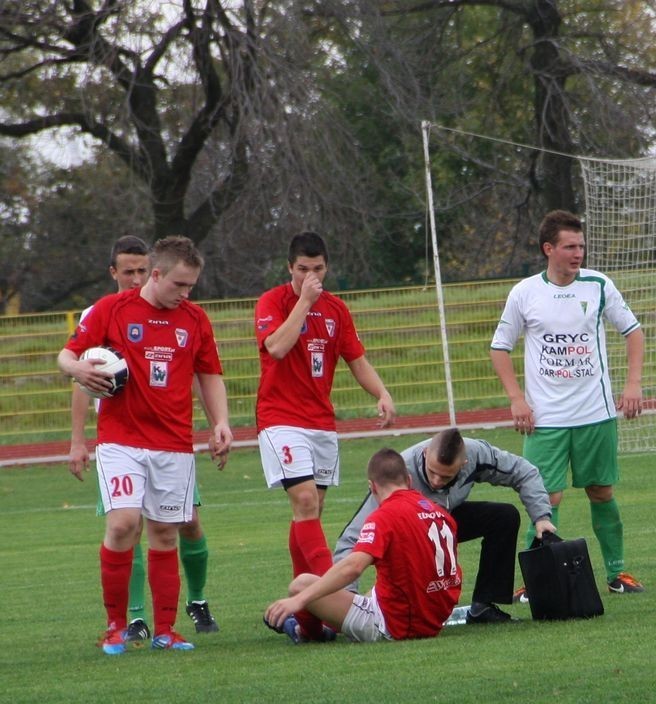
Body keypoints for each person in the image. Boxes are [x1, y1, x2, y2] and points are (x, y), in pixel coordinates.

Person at [58, 235, 233, 654]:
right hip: (121, 440)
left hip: (173, 443)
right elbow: (66, 356)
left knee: (165, 534)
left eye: (191, 286)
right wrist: (79, 368)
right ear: (156, 275)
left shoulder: (195, 320)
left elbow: (209, 375)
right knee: (122, 524)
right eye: (179, 285)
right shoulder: (112, 310)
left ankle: (166, 630)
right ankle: (116, 626)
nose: (185, 294)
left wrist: (221, 423)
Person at [490, 209, 645, 595]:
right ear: (549, 249)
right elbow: (499, 347)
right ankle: (534, 582)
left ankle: (617, 573)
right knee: (546, 496)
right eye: (570, 246)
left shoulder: (598, 285)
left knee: (601, 491)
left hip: (596, 413)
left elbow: (633, 332)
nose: (578, 254)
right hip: (546, 418)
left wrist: (633, 385)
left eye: (581, 246)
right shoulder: (525, 293)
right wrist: (516, 399)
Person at [254, 231, 396, 639]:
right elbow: (277, 348)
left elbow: (356, 358)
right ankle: (334, 593)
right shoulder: (273, 302)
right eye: (303, 270)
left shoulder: (337, 309)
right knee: (302, 500)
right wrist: (304, 301)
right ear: (290, 269)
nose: (311, 276)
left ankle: (311, 622)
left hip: (320, 423)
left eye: (317, 269)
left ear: (326, 267)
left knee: (310, 509)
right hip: (280, 418)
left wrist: (381, 392)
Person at [334, 428, 555, 624]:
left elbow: (524, 472)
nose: (437, 481)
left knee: (504, 516)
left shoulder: (477, 454)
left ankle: (484, 607)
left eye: (446, 476)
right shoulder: (401, 472)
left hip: (444, 521)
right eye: (432, 472)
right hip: (410, 533)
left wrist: (542, 517)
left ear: (464, 464)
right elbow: (353, 537)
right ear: (424, 454)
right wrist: (346, 600)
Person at [265, 447, 462, 643]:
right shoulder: (440, 512)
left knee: (301, 585)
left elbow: (354, 567)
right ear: (409, 480)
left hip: (399, 625)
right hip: (435, 618)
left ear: (372, 487)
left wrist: (298, 601)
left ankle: (308, 633)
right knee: (379, 588)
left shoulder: (384, 516)